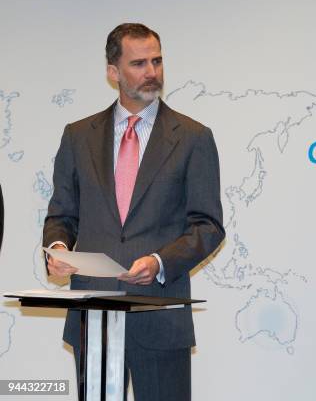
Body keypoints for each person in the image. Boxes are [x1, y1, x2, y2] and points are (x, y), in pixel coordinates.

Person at [43, 23, 225, 401]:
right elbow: (61, 214)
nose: (152, 72)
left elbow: (208, 226)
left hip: (159, 315)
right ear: (113, 73)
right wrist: (58, 248)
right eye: (139, 63)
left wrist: (160, 262)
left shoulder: (193, 137)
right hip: (94, 314)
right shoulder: (78, 136)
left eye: (157, 61)